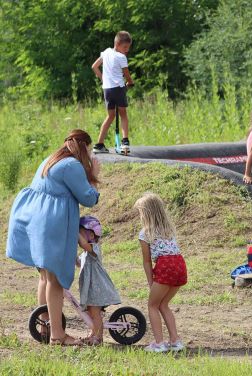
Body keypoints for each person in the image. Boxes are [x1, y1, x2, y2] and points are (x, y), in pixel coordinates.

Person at [6, 129, 100, 346]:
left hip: (35, 221)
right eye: (90, 148)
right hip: (51, 225)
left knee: (45, 277)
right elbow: (88, 198)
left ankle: (46, 326)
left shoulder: (51, 159)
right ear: (84, 146)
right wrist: (93, 175)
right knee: (56, 280)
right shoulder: (72, 165)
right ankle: (58, 335)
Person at [134, 193, 187, 353]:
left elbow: (147, 261)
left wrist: (151, 282)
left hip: (165, 266)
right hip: (180, 265)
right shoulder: (169, 230)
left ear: (146, 213)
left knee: (152, 305)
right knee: (164, 304)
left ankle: (159, 343)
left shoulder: (145, 233)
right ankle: (175, 341)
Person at [77, 216, 121, 345]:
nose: (78, 236)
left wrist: (73, 231)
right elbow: (80, 263)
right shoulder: (85, 253)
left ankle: (98, 337)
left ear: (91, 234)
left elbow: (84, 244)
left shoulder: (94, 248)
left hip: (97, 288)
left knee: (95, 314)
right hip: (91, 289)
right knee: (92, 313)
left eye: (80, 233)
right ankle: (93, 334)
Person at [91, 30, 135, 154]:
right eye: (125, 47)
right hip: (118, 88)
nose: (126, 50)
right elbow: (126, 73)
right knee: (123, 114)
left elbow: (94, 66)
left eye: (128, 47)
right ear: (117, 44)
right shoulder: (121, 57)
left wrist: (103, 79)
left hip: (107, 89)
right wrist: (130, 82)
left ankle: (99, 144)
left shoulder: (106, 52)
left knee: (110, 116)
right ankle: (125, 142)